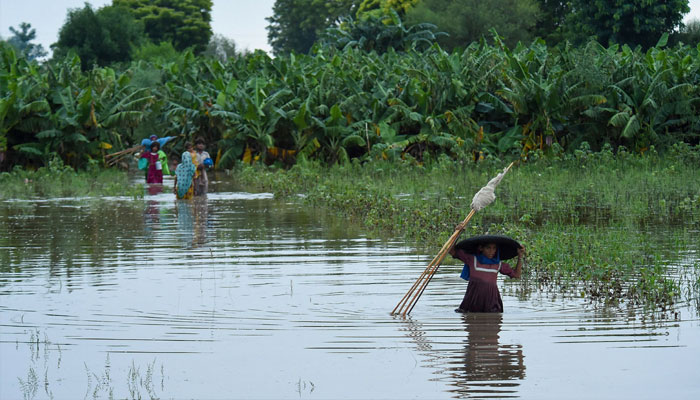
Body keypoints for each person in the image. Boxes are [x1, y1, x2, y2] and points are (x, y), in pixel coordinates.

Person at [449, 225, 525, 313]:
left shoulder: (498, 264)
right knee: (471, 320)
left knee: (492, 322)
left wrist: (520, 257)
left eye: (494, 248)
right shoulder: (472, 260)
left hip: (491, 302)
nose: (491, 251)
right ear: (481, 248)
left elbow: (517, 275)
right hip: (473, 300)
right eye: (488, 248)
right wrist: (457, 233)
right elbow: (451, 250)